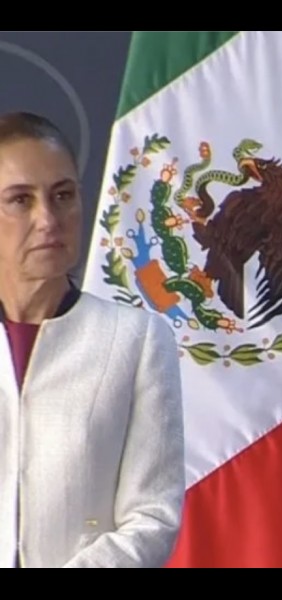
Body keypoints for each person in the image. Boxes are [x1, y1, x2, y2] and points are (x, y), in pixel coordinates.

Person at [0, 111, 185, 567]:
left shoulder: (135, 340)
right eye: (20, 200)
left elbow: (152, 516)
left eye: (62, 195)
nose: (48, 219)